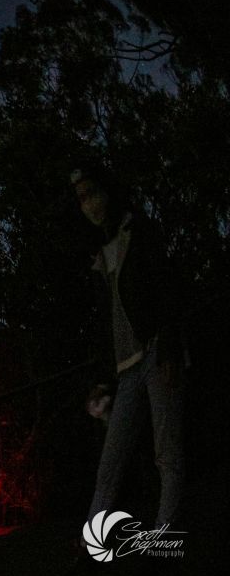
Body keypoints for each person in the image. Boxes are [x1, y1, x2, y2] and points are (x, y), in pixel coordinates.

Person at [72, 164, 186, 540]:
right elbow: (106, 322)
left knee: (166, 453)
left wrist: (169, 348)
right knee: (111, 461)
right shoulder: (100, 254)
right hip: (126, 369)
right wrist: (101, 378)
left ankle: (164, 538)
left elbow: (167, 289)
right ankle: (92, 547)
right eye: (81, 197)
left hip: (154, 353)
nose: (88, 203)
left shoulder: (139, 231)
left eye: (92, 192)